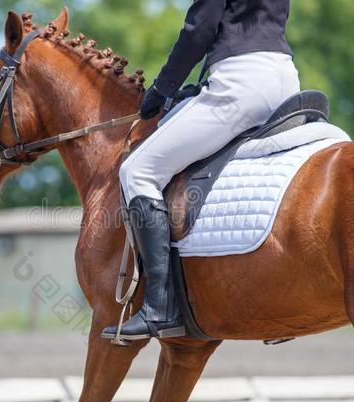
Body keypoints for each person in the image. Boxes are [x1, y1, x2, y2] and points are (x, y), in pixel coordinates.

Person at [102, 0, 300, 341]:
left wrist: (162, 88)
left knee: (137, 171)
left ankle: (159, 306)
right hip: (285, 77)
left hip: (242, 80)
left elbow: (200, 29)